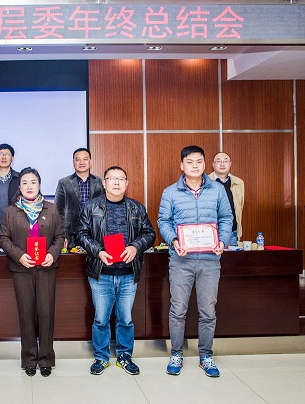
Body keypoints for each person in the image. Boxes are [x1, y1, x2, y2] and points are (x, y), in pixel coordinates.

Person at [157, 145, 232, 378]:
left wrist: (223, 240)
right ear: (182, 165)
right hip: (181, 260)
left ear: (205, 164)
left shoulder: (217, 190)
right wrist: (173, 240)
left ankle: (206, 355)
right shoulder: (170, 192)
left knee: (208, 311)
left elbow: (226, 217)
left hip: (210, 260)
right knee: (178, 310)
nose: (195, 166)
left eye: (199, 161)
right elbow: (163, 221)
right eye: (189, 162)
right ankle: (176, 354)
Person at [76, 166, 155, 376]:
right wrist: (98, 251)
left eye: (121, 179)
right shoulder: (91, 207)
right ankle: (101, 357)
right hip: (101, 273)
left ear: (127, 183)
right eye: (112, 178)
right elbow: (81, 234)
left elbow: (149, 233)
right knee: (101, 319)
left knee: (125, 319)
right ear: (104, 183)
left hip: (128, 273)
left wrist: (135, 247)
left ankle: (124, 356)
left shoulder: (137, 208)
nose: (117, 182)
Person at [0, 167, 65, 378]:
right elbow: (3, 239)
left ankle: (45, 359)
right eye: (25, 182)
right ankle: (29, 359)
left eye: (33, 182)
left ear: (39, 185)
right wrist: (19, 255)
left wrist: (52, 254)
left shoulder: (51, 209)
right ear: (19, 187)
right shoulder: (11, 211)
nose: (29, 186)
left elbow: (60, 236)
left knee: (46, 313)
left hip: (46, 268)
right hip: (22, 269)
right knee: (26, 314)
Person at [55, 147, 104, 249]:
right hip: (71, 233)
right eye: (78, 159)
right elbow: (58, 211)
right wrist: (61, 235)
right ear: (73, 162)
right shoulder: (64, 182)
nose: (81, 162)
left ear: (90, 161)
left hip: (95, 233)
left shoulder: (100, 182)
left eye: (85, 159)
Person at [209, 152, 245, 246]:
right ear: (213, 164)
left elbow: (240, 206)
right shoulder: (206, 182)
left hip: (233, 233)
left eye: (225, 161)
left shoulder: (238, 183)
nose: (222, 164)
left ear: (230, 164)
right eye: (218, 161)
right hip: (211, 233)